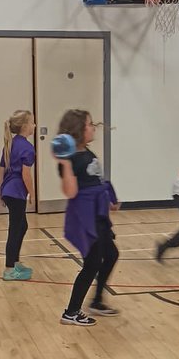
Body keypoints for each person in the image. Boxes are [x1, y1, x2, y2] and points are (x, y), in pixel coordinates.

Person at [56, 109, 120, 326]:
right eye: (90, 124)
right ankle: (71, 312)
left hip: (98, 216)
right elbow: (71, 192)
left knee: (110, 255)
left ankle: (96, 301)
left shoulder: (88, 153)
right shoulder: (71, 159)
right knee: (92, 264)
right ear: (78, 130)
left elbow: (96, 182)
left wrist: (109, 199)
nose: (94, 128)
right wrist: (64, 164)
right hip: (86, 219)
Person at [0, 109, 35, 281]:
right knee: (15, 229)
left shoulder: (10, 143)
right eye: (32, 122)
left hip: (8, 190)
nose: (34, 125)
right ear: (25, 126)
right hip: (16, 193)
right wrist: (32, 194)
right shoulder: (27, 148)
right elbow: (26, 175)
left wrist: (1, 191)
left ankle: (16, 261)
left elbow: (1, 168)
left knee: (22, 226)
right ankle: (9, 268)